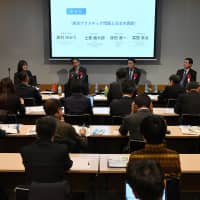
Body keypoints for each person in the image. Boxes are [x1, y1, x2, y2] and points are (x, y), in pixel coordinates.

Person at [20, 116, 73, 183]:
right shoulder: (62, 149)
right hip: (56, 190)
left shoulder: (25, 150)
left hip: (34, 191)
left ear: (36, 132)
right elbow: (68, 166)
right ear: (54, 132)